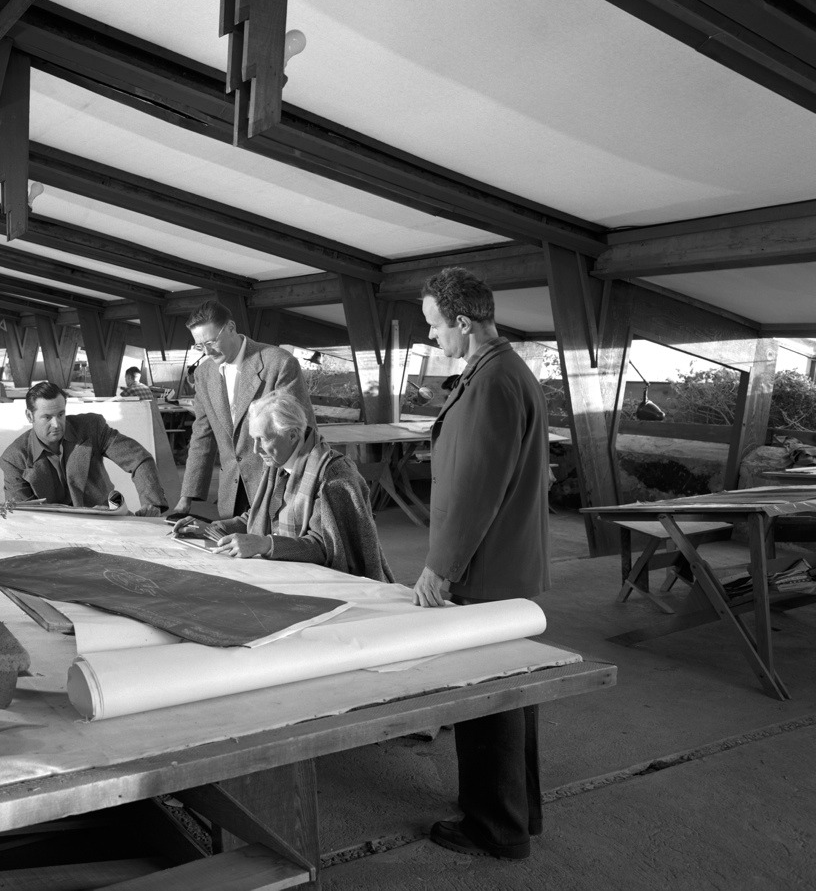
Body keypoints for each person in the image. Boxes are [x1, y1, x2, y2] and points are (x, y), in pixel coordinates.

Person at [413, 267, 550, 861]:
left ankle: (493, 828)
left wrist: (440, 567)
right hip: (505, 566)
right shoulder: (498, 370)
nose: (432, 339)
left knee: (487, 702)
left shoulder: (493, 380)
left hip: (484, 570)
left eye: (434, 327)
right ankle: (518, 813)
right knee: (512, 697)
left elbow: (475, 488)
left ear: (462, 323)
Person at [179, 390, 392, 581]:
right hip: (286, 576)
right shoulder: (277, 462)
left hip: (332, 586)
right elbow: (256, 516)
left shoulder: (332, 474)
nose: (255, 449)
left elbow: (327, 548)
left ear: (292, 435)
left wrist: (264, 544)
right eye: (253, 439)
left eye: (262, 439)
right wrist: (212, 528)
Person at [172, 301, 315, 521]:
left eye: (211, 342)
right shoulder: (203, 374)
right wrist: (187, 496)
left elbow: (300, 432)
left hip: (276, 486)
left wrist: (301, 488)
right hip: (231, 491)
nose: (207, 352)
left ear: (230, 327)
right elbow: (202, 433)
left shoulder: (279, 363)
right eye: (200, 346)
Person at [0, 382, 168, 516]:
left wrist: (151, 504)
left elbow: (138, 458)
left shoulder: (92, 428)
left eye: (60, 414)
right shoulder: (14, 458)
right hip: (55, 531)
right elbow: (23, 514)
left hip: (108, 520)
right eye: (47, 417)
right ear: (30, 416)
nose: (56, 424)